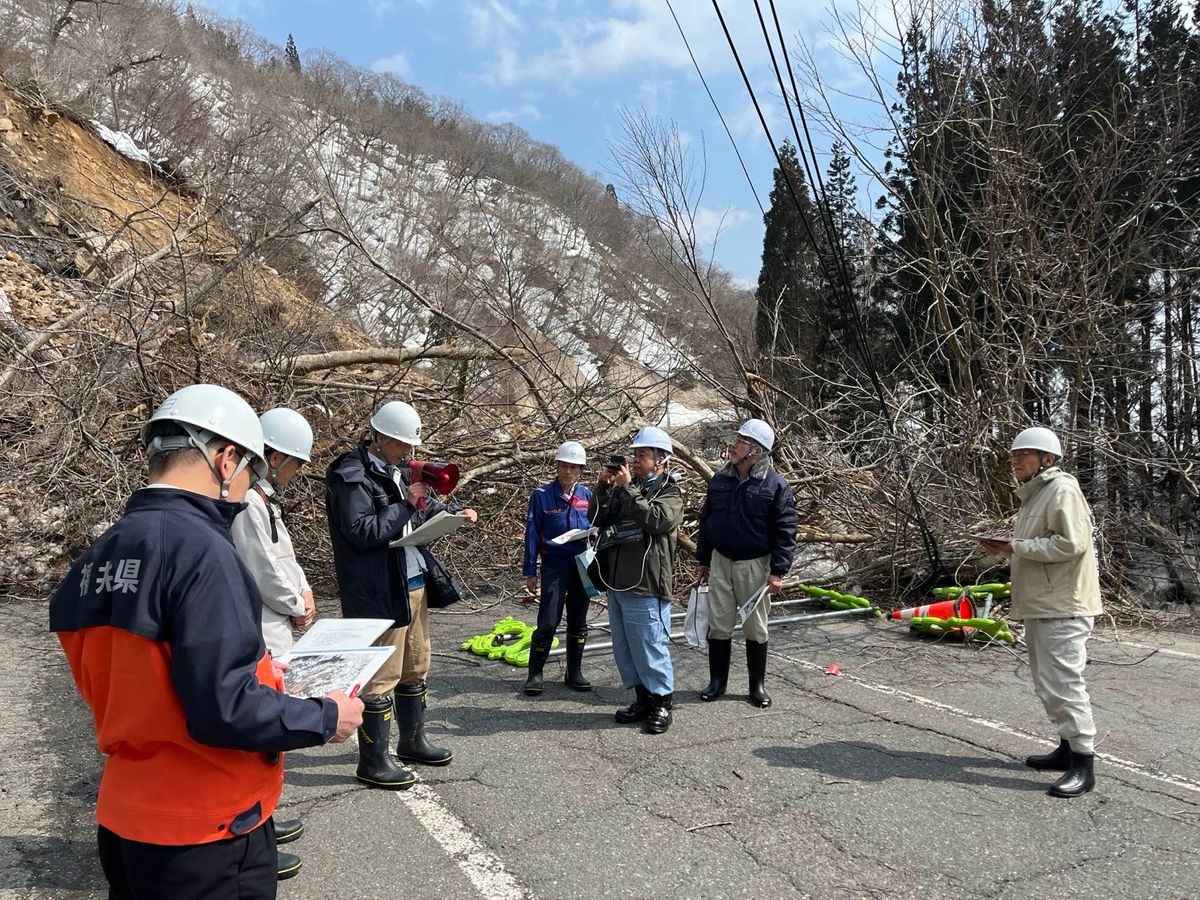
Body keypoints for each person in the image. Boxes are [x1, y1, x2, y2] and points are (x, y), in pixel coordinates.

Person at [49, 384, 362, 899]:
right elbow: (224, 710)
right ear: (226, 459)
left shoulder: (96, 557)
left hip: (127, 817)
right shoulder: (203, 552)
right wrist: (326, 716)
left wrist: (263, 675)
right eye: (250, 475)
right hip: (209, 828)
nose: (245, 493)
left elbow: (142, 677)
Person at [326, 400, 478, 789]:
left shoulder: (393, 471)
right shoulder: (350, 474)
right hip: (378, 590)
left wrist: (452, 513)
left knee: (415, 664)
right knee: (382, 675)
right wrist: (406, 504)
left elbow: (415, 516)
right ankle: (373, 762)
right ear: (378, 437)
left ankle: (412, 742)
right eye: (400, 444)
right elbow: (362, 532)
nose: (408, 453)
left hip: (412, 582)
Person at [978, 426, 1103, 798]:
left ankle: (1084, 763)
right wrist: (1010, 547)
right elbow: (1042, 544)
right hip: (1044, 603)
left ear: (1047, 459)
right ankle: (1067, 749)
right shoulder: (1036, 495)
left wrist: (1016, 546)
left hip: (1063, 605)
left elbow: (1071, 544)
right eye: (1014, 455)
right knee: (1048, 682)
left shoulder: (1062, 489)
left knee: (1064, 683)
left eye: (1024, 454)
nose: (1016, 460)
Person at [230, 406, 318, 864]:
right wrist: (296, 603)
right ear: (274, 454)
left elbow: (287, 559)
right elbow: (261, 570)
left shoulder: (265, 500)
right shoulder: (246, 504)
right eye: (296, 463)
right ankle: (251, 835)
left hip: (279, 622)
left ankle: (262, 820)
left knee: (270, 737)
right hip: (263, 626)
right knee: (260, 729)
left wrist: (303, 592)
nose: (298, 472)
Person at [695, 419, 798, 708]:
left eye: (741, 441)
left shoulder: (775, 485)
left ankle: (757, 686)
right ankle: (717, 682)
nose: (734, 445)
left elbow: (786, 529)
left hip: (755, 565)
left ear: (756, 450)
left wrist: (778, 571)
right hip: (721, 561)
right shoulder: (720, 479)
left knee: (755, 626)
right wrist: (704, 558)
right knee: (719, 624)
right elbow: (707, 521)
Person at [591, 426, 683, 734]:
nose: (636, 460)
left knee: (649, 645)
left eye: (642, 455)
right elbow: (597, 519)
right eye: (635, 455)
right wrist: (604, 488)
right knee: (625, 647)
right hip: (618, 580)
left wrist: (627, 488)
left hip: (646, 582)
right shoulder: (624, 488)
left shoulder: (670, 491)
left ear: (661, 460)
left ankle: (662, 703)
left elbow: (657, 520)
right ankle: (642, 698)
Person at [522, 441, 595, 696]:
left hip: (581, 564)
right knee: (548, 620)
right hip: (554, 565)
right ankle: (535, 673)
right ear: (557, 466)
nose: (568, 472)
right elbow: (532, 533)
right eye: (564, 466)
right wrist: (530, 570)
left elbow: (598, 526)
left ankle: (574, 671)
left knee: (579, 620)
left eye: (574, 467)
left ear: (581, 469)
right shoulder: (541, 495)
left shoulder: (587, 495)